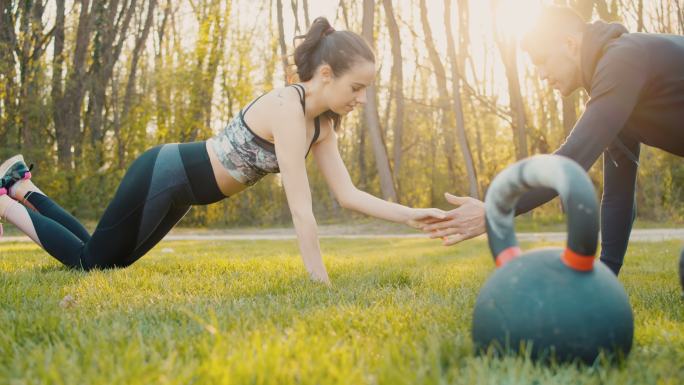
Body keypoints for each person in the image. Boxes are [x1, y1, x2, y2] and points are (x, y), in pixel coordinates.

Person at [0, 17, 446, 285]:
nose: (362, 100)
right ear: (326, 74)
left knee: (102, 260)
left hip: (181, 193)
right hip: (165, 173)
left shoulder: (321, 125)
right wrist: (319, 281)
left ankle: (23, 186)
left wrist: (411, 215)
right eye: (357, 88)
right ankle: (7, 203)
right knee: (91, 263)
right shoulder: (287, 109)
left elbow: (347, 195)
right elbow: (301, 209)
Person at [424, 6, 684, 275]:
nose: (542, 75)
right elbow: (618, 194)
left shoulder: (623, 60)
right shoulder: (615, 83)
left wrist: (495, 209)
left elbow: (570, 161)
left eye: (543, 60)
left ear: (570, 44)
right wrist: (607, 276)